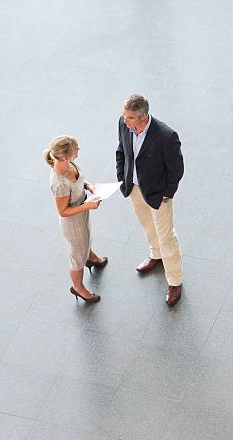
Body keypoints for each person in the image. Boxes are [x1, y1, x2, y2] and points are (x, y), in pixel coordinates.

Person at [116, 94, 184, 306]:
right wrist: (122, 178)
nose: (125, 120)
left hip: (158, 194)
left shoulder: (166, 136)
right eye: (125, 116)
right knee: (147, 225)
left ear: (143, 117)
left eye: (129, 117)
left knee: (167, 237)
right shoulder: (123, 124)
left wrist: (167, 193)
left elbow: (177, 169)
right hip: (134, 188)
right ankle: (156, 255)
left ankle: (175, 280)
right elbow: (121, 151)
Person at [45, 136, 106, 303]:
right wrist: (89, 206)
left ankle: (91, 257)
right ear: (65, 157)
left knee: (85, 239)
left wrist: (90, 186)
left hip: (81, 211)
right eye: (76, 149)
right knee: (77, 254)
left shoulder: (67, 164)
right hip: (73, 221)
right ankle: (78, 288)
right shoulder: (60, 183)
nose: (79, 150)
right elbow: (63, 211)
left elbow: (79, 181)